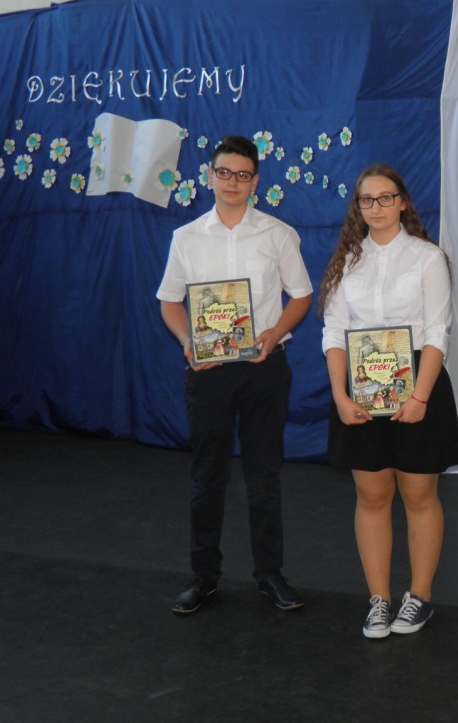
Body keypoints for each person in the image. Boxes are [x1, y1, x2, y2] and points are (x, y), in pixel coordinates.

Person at [157, 135, 313, 615]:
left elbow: (302, 295)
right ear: (210, 176)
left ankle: (270, 575)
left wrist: (274, 332)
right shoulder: (186, 237)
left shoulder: (279, 234)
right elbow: (169, 302)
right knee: (207, 476)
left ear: (255, 182)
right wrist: (188, 342)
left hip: (265, 368)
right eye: (224, 172)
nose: (232, 182)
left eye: (242, 175)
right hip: (208, 372)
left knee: (264, 475)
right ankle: (203, 577)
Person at [319, 164, 458, 639]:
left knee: (419, 495)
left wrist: (421, 396)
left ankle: (419, 596)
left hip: (419, 383)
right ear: (358, 207)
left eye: (385, 198)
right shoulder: (347, 261)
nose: (376, 207)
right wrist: (340, 396)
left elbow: (438, 331)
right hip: (361, 386)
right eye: (367, 200)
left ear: (402, 202)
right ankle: (379, 600)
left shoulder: (427, 257)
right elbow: (334, 333)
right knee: (372, 495)